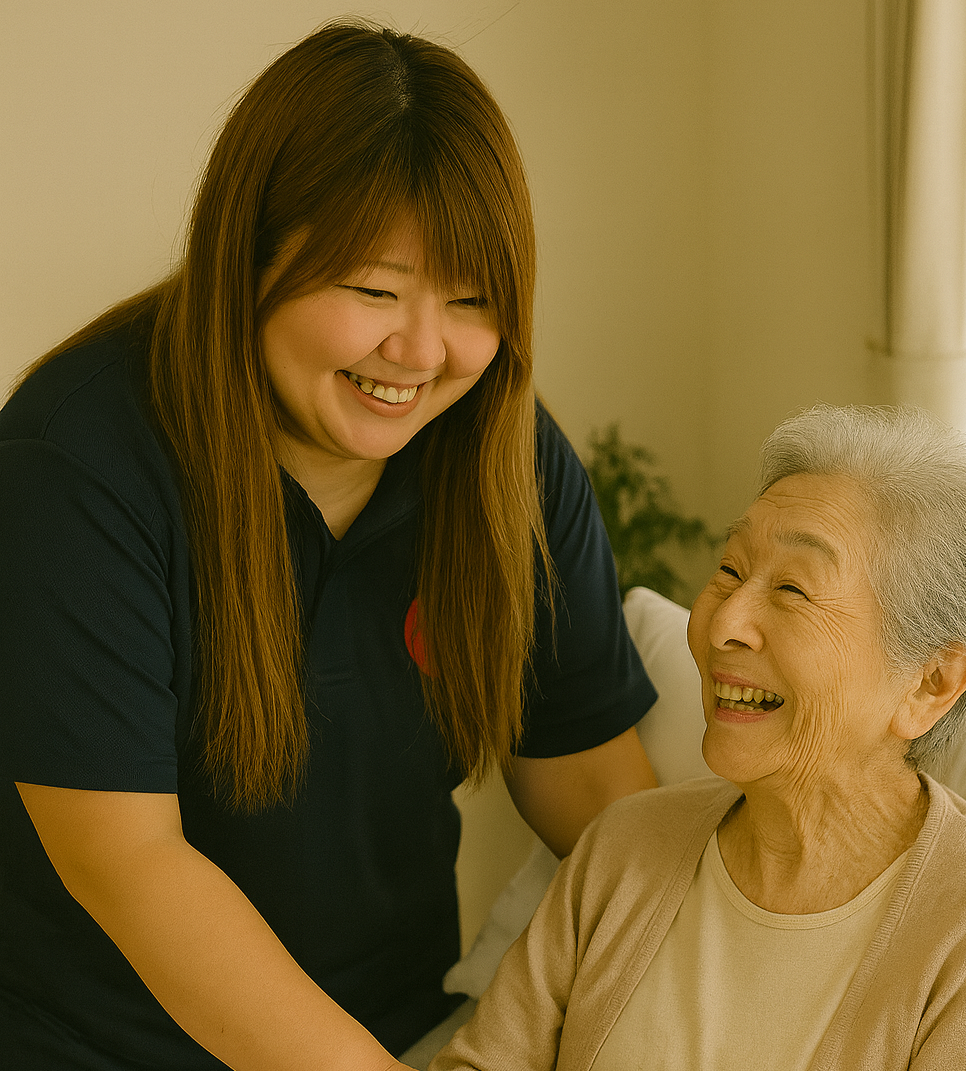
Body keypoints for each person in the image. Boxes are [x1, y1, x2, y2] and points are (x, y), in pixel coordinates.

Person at [0, 22, 660, 1071]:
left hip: (407, 1028)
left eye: (472, 301)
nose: (422, 351)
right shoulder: (75, 463)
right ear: (251, 250)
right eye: (373, 290)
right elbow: (129, 864)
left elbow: (589, 787)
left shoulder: (504, 458)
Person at [432, 404, 966, 1071]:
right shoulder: (624, 845)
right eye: (730, 570)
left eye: (794, 589)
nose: (724, 625)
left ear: (930, 684)